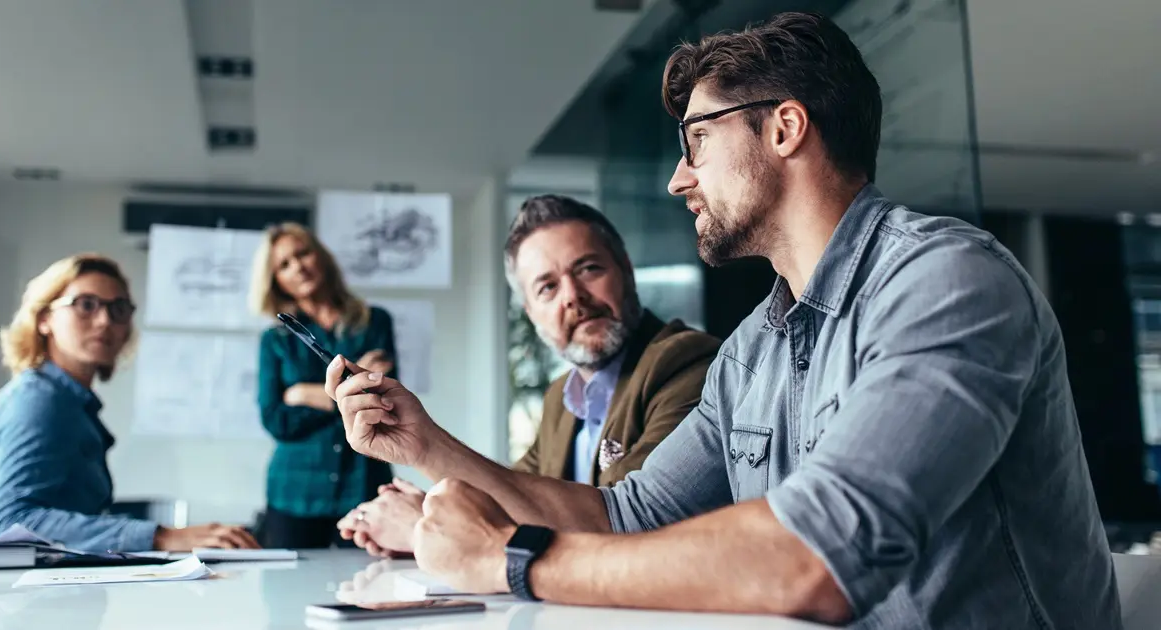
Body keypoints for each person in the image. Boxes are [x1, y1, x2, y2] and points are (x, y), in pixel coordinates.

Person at [322, 12, 1121, 629]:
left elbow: (819, 559)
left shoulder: (948, 281)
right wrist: (421, 443)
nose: (678, 179)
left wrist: (513, 560)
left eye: (697, 141)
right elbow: (625, 516)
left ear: (784, 128)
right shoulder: (753, 352)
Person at [336, 195, 721, 556]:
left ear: (625, 270)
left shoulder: (686, 363)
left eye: (588, 269)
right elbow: (515, 497)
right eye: (547, 287)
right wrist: (432, 506)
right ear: (530, 312)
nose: (572, 296)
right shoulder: (562, 397)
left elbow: (621, 527)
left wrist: (425, 526)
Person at [0, 254, 259, 552]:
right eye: (85, 305)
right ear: (44, 319)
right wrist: (161, 536)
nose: (105, 321)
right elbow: (11, 523)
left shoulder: (70, 404)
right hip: (6, 595)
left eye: (118, 309)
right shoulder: (38, 400)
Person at [250, 222, 397, 549]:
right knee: (288, 593)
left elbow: (382, 403)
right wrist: (346, 395)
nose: (298, 267)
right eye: (284, 265)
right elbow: (276, 420)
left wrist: (303, 394)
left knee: (368, 587)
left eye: (303, 254)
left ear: (321, 257)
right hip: (295, 492)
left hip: (362, 484)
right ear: (275, 281)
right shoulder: (275, 340)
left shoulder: (375, 323)